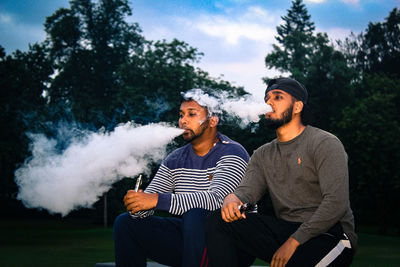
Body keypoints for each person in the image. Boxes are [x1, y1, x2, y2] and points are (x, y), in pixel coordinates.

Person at [205, 77, 357, 267]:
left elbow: (336, 204)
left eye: (278, 97)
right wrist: (233, 198)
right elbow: (247, 191)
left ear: (297, 106)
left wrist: (294, 241)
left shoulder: (325, 143)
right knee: (218, 221)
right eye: (267, 98)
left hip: (329, 235)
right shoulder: (262, 153)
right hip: (285, 230)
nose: (269, 103)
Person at [113, 91, 250, 267]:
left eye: (192, 114)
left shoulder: (232, 152)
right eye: (181, 115)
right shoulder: (175, 158)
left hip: (234, 244)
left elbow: (218, 200)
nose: (183, 121)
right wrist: (138, 203)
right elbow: (149, 202)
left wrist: (155, 200)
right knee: (126, 223)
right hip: (192, 240)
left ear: (213, 120)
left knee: (196, 214)